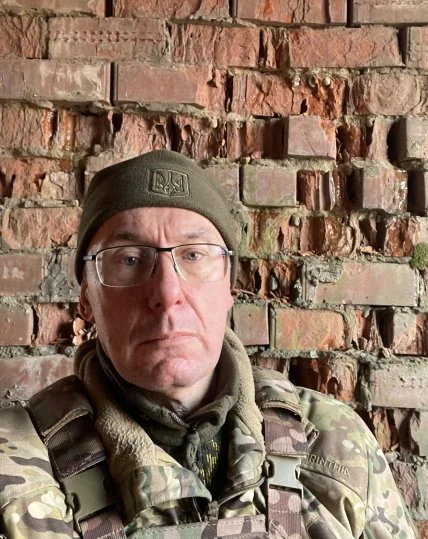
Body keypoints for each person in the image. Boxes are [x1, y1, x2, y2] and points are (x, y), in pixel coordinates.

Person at [0, 150, 416, 539]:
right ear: (87, 299)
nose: (167, 292)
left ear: (230, 285)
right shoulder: (12, 472)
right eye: (129, 259)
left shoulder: (335, 444)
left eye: (194, 255)